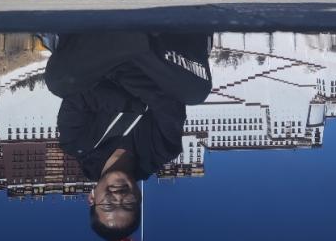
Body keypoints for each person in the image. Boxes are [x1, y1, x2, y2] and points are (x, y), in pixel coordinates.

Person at [45, 32, 212, 240]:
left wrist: (136, 103)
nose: (118, 196)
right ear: (139, 197)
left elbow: (79, 98)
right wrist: (119, 78)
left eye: (108, 205)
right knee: (195, 91)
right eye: (128, 204)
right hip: (149, 55)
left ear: (92, 198)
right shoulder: (163, 150)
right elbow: (170, 106)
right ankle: (138, 38)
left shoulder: (75, 143)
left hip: (109, 50)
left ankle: (131, 39)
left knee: (59, 81)